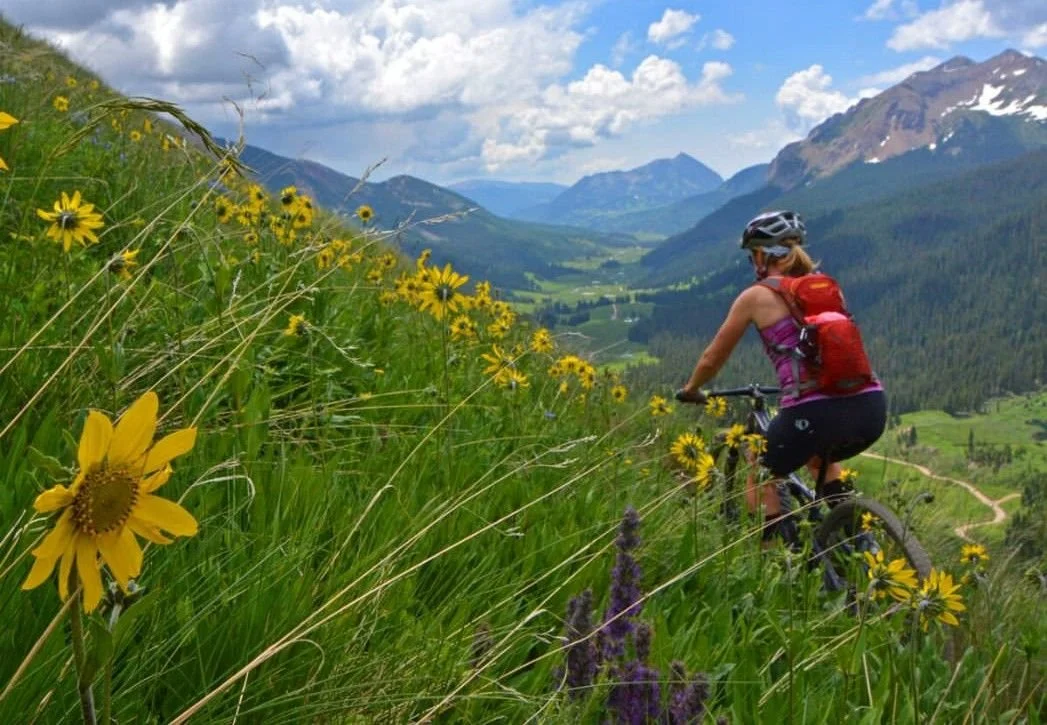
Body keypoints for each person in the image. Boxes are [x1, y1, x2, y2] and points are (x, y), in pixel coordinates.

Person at [675, 210, 886, 535]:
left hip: (812, 412)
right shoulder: (826, 287)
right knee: (820, 459)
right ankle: (859, 538)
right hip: (870, 407)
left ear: (762, 256)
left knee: (758, 467)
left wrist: (692, 389)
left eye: (752, 255)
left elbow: (712, 359)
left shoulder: (756, 296)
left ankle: (776, 552)